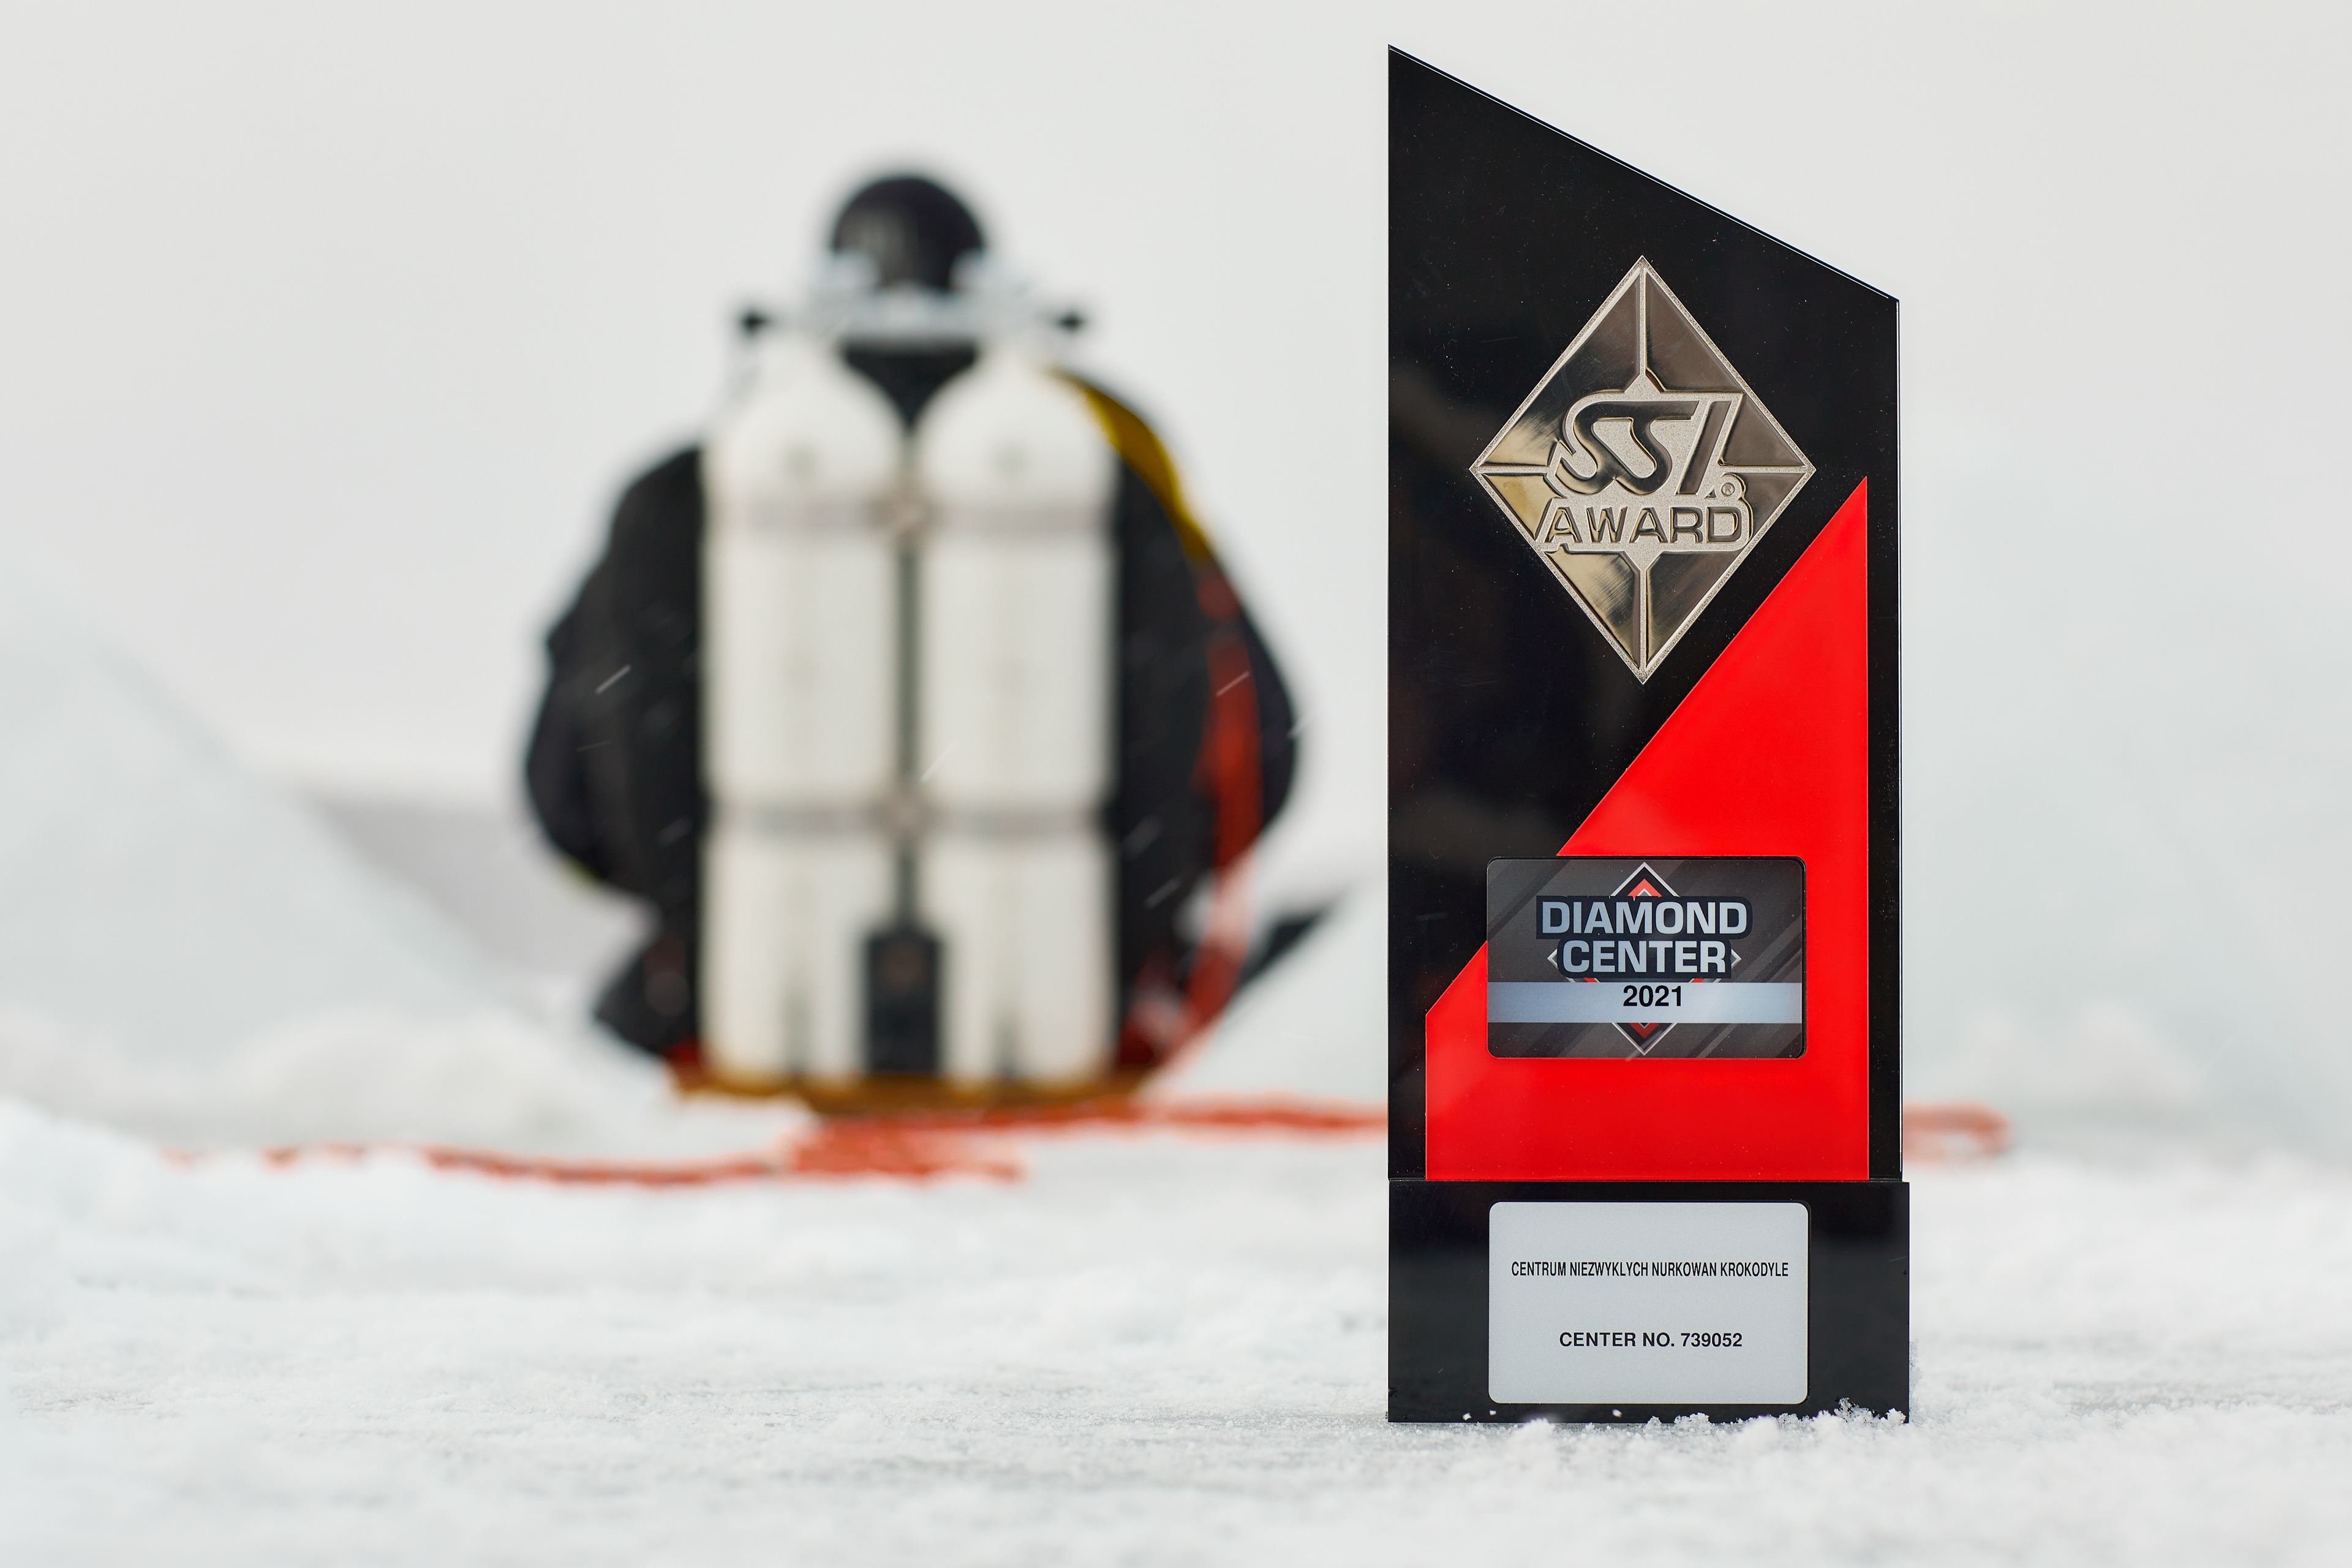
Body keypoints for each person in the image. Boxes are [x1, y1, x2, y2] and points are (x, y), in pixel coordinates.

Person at [526, 175, 1296, 1093]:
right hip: (1078, 1026)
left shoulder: (691, 496)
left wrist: (698, 919)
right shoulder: (1105, 483)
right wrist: (1124, 920)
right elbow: (1263, 753)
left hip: (722, 1028)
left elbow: (562, 793)